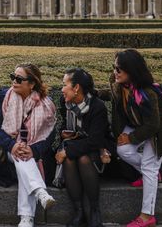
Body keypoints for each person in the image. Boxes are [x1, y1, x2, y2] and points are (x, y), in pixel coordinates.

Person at [110, 49, 162, 227]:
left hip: (160, 132)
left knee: (148, 167)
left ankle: (147, 216)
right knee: (122, 150)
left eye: (119, 69)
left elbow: (153, 125)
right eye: (114, 67)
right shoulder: (120, 85)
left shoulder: (147, 93)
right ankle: (154, 174)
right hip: (140, 125)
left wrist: (131, 137)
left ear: (131, 71)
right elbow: (114, 96)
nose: (115, 72)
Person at [0, 63, 58, 227]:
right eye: (13, 77)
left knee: (25, 159)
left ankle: (26, 217)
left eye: (19, 79)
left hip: (35, 153)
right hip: (10, 148)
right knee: (21, 155)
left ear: (32, 83)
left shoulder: (45, 104)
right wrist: (12, 145)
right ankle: (39, 192)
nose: (14, 81)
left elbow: (50, 135)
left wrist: (33, 150)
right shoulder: (5, 97)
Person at [53, 68, 111, 227]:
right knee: (71, 159)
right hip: (75, 143)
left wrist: (67, 150)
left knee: (83, 159)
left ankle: (94, 210)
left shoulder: (97, 106)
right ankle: (78, 211)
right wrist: (65, 134)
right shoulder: (65, 103)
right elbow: (65, 127)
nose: (62, 89)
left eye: (65, 84)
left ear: (76, 88)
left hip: (97, 149)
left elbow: (96, 140)